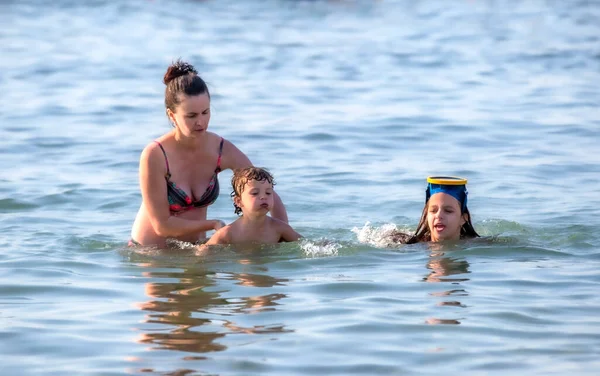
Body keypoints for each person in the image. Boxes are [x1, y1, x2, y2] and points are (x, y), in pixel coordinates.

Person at [130, 60, 288, 247]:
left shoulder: (221, 150)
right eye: (191, 116)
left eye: (205, 112)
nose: (201, 122)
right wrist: (213, 224)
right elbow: (161, 225)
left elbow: (265, 188)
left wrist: (282, 235)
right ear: (172, 115)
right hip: (151, 256)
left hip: (194, 251)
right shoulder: (155, 155)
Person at [200, 167, 301, 248]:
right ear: (239, 201)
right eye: (255, 193)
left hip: (269, 272)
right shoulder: (228, 233)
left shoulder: (280, 228)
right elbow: (203, 252)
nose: (263, 196)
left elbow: (307, 245)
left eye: (268, 193)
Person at [389, 176, 479, 244]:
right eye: (433, 211)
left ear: (463, 218)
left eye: (448, 211)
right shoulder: (411, 246)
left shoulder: (478, 245)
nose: (439, 215)